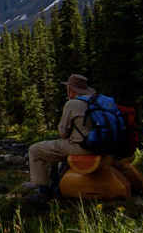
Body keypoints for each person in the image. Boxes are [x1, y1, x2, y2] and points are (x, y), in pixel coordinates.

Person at [28, 74, 95, 202]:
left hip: (83, 148)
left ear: (72, 90)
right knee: (60, 148)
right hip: (101, 146)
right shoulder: (95, 101)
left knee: (34, 150)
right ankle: (58, 185)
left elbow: (63, 134)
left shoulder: (73, 104)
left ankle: (43, 193)